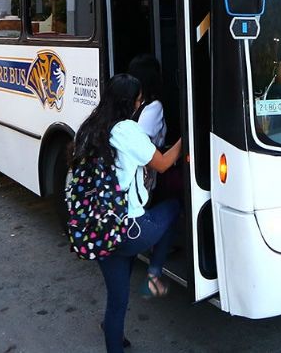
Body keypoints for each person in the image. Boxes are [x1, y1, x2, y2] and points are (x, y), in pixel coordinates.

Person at [71, 74, 182, 353]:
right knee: (173, 207)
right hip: (127, 229)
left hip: (99, 229)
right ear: (133, 102)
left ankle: (114, 337)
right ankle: (154, 272)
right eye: (139, 99)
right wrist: (187, 136)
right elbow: (164, 164)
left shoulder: (89, 127)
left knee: (117, 300)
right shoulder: (127, 131)